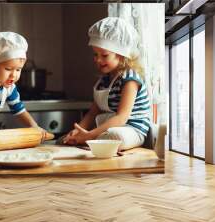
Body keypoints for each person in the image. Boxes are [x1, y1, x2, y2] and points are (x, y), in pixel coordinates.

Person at [63, 17, 151, 151]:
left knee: (115, 137)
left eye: (104, 55)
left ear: (121, 54)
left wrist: (89, 135)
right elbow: (92, 113)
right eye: (95, 55)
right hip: (110, 129)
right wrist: (80, 130)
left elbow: (122, 117)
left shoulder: (130, 79)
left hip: (132, 130)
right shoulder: (105, 80)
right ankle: (90, 141)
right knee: (69, 138)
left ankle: (92, 141)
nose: (98, 60)